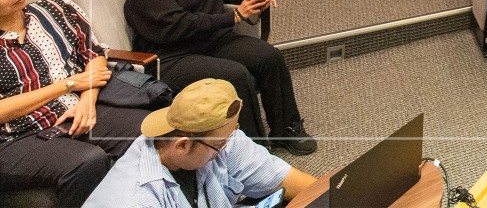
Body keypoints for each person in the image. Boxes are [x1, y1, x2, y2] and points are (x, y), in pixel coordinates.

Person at [124, 0, 315, 152]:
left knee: (269, 56)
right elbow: (180, 25)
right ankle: (251, 150)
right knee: (235, 75)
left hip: (213, 41)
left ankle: (286, 129)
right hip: (173, 55)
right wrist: (233, 16)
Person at [0, 0, 151, 207]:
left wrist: (87, 101)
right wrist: (67, 85)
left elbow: (94, 56)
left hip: (75, 108)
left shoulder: (58, 10)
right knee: (87, 161)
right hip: (16, 135)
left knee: (150, 130)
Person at [83, 77, 317, 208]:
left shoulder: (215, 138)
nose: (227, 146)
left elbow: (293, 182)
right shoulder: (137, 199)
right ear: (182, 145)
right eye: (220, 144)